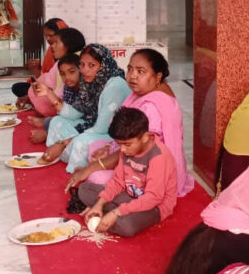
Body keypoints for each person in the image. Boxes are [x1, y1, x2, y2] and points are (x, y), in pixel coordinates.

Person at [66, 49, 193, 200]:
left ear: (157, 76)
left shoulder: (151, 107)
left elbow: (138, 151)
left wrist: (92, 167)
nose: (132, 75)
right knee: (95, 146)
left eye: (141, 71)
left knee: (96, 177)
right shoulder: (144, 93)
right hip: (131, 151)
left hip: (147, 170)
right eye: (130, 69)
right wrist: (109, 148)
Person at [78, 107, 177, 237]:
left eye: (127, 144)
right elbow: (118, 181)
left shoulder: (159, 157)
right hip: (129, 195)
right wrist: (99, 204)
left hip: (155, 206)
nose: (123, 150)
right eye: (120, 145)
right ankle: (109, 212)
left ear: (145, 137)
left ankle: (113, 214)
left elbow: (153, 197)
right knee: (84, 189)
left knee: (127, 227)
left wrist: (116, 212)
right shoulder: (127, 149)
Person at [42, 44, 130, 172]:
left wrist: (62, 144)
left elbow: (101, 128)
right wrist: (49, 94)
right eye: (82, 65)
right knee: (56, 122)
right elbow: (76, 113)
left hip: (114, 137)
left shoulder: (114, 86)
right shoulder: (92, 81)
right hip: (94, 126)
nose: (84, 70)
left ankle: (77, 169)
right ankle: (62, 154)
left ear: (103, 65)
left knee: (81, 141)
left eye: (91, 65)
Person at [26, 27, 85, 126]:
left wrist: (49, 94)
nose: (51, 46)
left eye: (56, 42)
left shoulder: (75, 61)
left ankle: (49, 119)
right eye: (47, 36)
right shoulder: (62, 61)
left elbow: (60, 95)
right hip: (67, 106)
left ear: (68, 44)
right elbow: (48, 81)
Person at [11, 16, 68, 105]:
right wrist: (36, 69)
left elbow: (57, 84)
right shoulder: (51, 50)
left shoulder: (68, 55)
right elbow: (46, 78)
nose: (48, 39)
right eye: (46, 36)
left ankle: (37, 101)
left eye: (51, 35)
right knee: (17, 87)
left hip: (58, 91)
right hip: (48, 86)